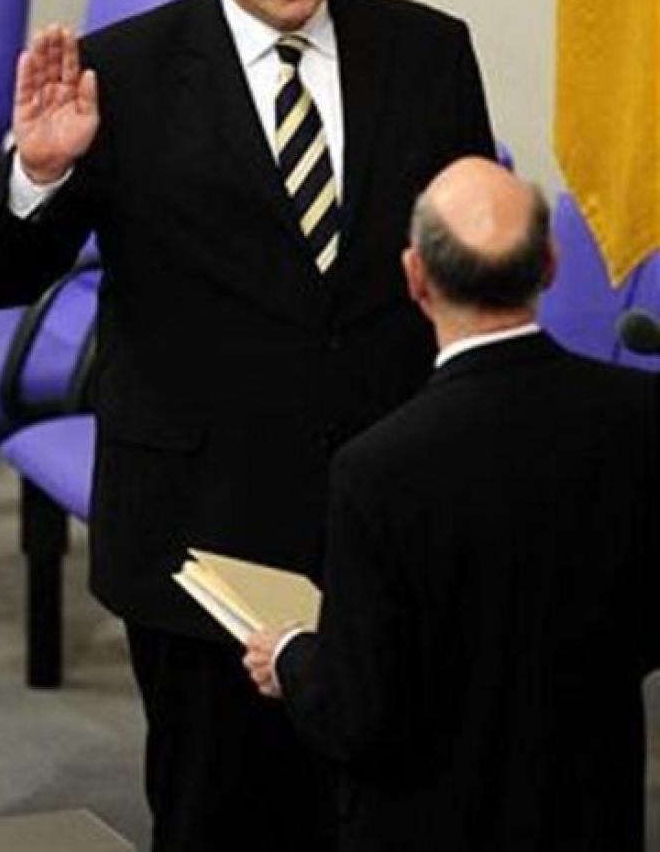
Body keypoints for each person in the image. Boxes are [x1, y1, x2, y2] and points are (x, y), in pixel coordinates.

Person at [0, 0, 495, 852]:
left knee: (393, 805)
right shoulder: (125, 73)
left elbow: (462, 262)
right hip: (207, 524)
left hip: (384, 511)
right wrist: (42, 173)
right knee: (222, 814)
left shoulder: (426, 50)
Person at [244, 156, 660, 852]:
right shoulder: (640, 414)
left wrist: (291, 656)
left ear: (415, 278)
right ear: (551, 265)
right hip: (592, 809)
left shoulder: (377, 470)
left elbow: (360, 714)